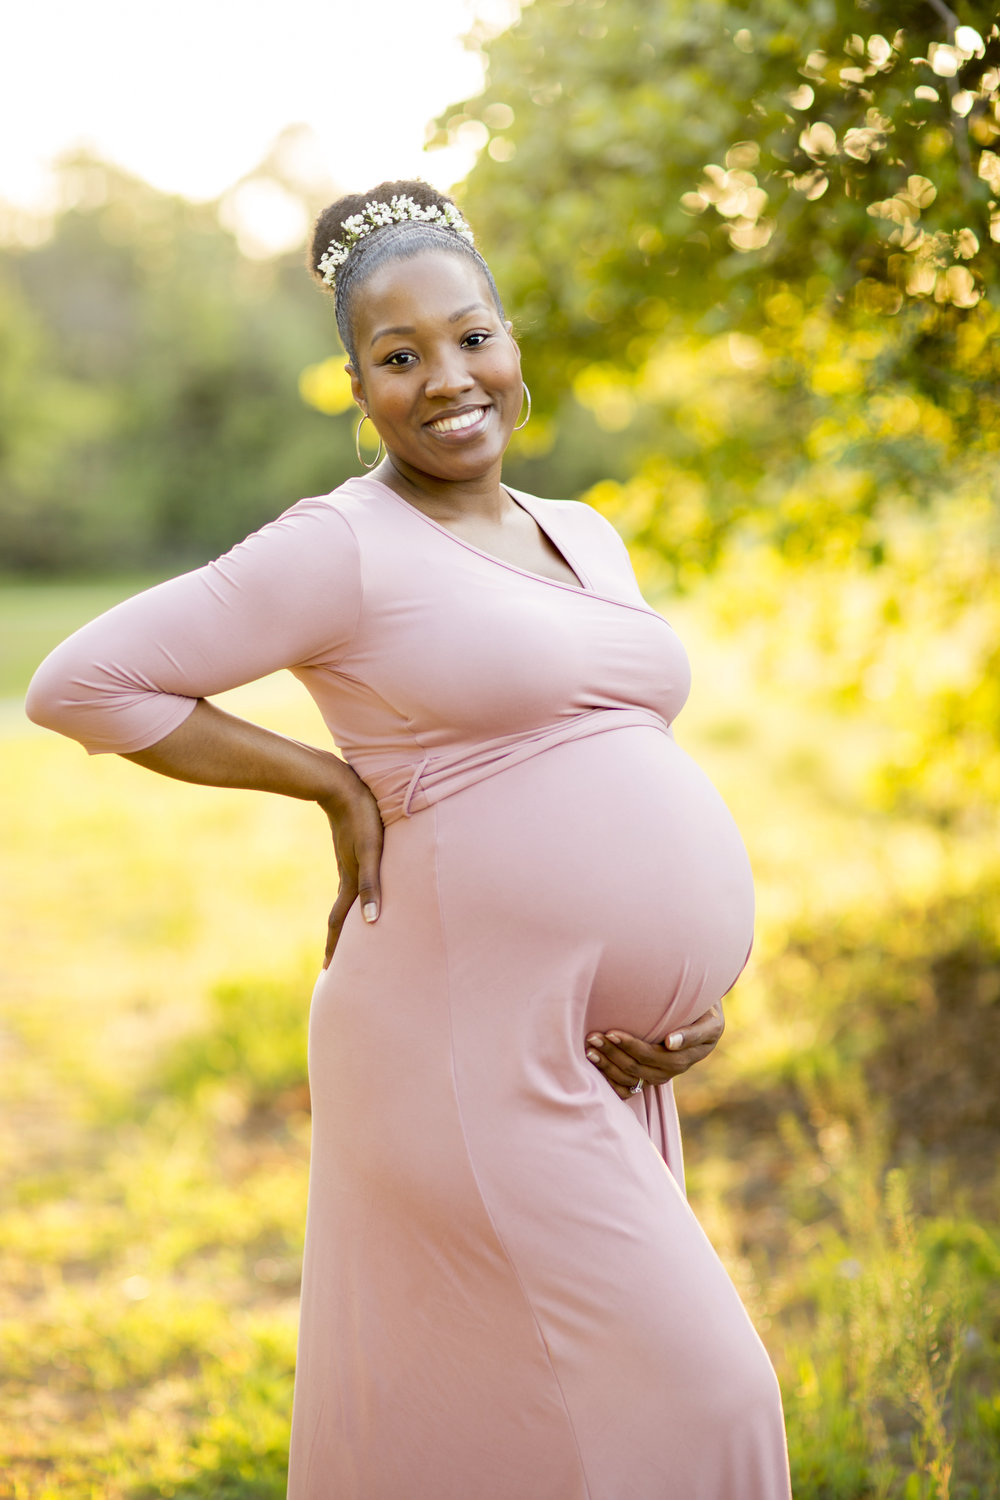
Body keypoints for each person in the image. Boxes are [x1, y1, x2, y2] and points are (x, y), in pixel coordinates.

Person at [26, 180, 791, 1499]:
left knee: (543, 1417)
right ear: (356, 383)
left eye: (473, 335)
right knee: (705, 1394)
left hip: (594, 1053)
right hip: (456, 1038)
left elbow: (605, 752)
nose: (449, 378)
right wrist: (330, 785)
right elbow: (83, 683)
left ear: (511, 341)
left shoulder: (587, 534)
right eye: (399, 356)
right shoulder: (342, 547)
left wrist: (690, 988)